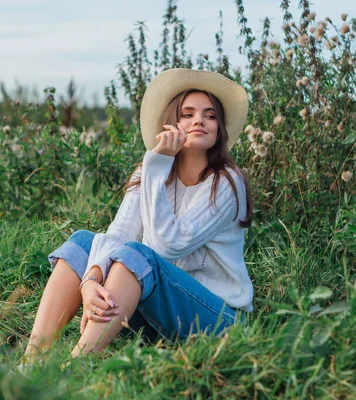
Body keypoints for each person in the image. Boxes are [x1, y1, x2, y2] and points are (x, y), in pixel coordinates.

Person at [24, 68, 254, 359]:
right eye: (188, 114)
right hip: (161, 315)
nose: (199, 120)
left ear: (219, 127)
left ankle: (74, 368)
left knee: (138, 254)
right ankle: (32, 361)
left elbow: (166, 245)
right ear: (171, 122)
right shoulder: (150, 171)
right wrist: (91, 281)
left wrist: (157, 165)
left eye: (210, 115)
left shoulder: (226, 182)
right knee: (84, 242)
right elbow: (119, 233)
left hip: (219, 321)